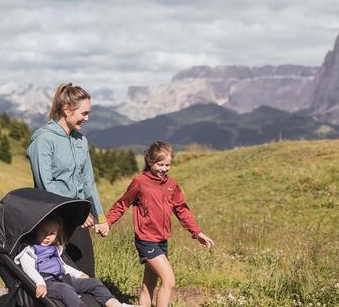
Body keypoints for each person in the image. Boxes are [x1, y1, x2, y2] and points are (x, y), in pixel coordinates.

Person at [106, 141, 215, 307]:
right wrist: (108, 222)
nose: (164, 169)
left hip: (162, 240)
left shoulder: (171, 185)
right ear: (150, 162)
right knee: (169, 280)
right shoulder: (140, 182)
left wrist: (197, 232)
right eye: (160, 164)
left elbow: (182, 210)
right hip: (146, 239)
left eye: (168, 165)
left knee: (149, 284)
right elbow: (122, 204)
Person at [27, 82, 107, 277]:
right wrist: (76, 211)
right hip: (52, 221)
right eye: (83, 113)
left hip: (77, 221)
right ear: (66, 109)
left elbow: (89, 182)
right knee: (56, 277)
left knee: (86, 274)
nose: (87, 118)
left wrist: (100, 217)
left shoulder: (81, 141)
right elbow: (46, 184)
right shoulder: (43, 140)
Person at [14, 214, 137, 307]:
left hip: (64, 278)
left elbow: (62, 266)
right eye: (43, 232)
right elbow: (28, 268)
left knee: (94, 282)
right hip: (47, 283)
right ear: (36, 231)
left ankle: (114, 304)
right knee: (65, 290)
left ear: (57, 235)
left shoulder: (54, 248)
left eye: (51, 233)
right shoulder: (30, 249)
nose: (47, 237)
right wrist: (39, 283)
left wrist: (78, 274)